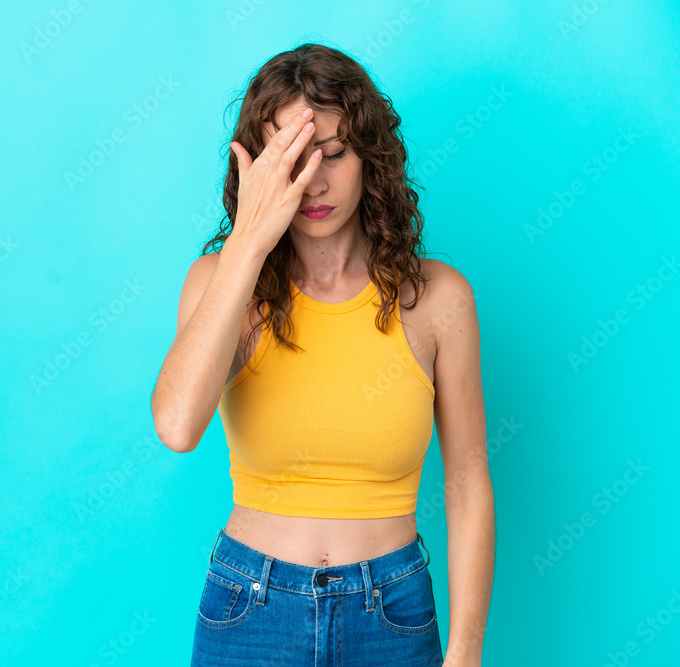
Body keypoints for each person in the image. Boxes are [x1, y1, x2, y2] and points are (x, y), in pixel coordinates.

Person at [150, 43, 494, 666]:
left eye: (333, 154)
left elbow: (468, 483)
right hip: (249, 610)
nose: (313, 182)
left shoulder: (439, 298)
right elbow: (176, 427)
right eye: (290, 159)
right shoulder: (219, 284)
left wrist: (466, 652)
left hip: (392, 613)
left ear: (371, 158)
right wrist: (249, 241)